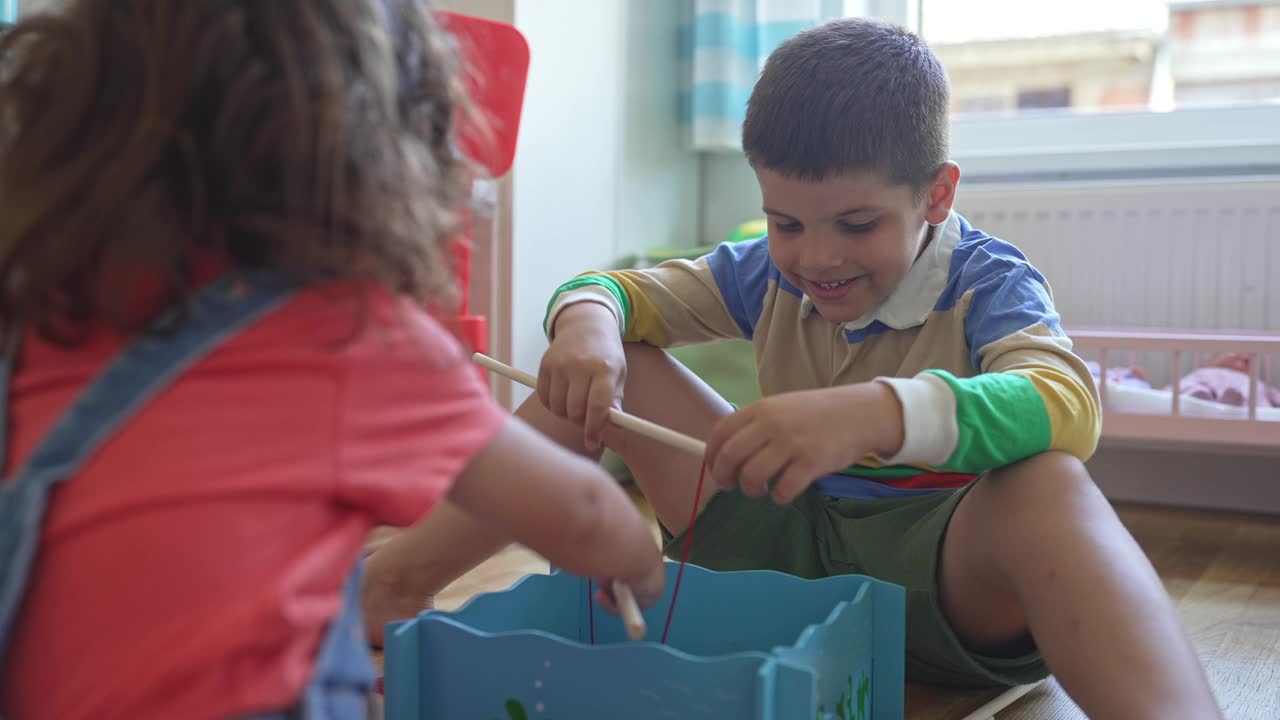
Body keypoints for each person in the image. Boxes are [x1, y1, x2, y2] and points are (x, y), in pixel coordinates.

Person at [365, 16, 1222, 719]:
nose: (816, 258)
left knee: (1050, 485)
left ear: (936, 195)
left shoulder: (987, 282)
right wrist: (585, 324)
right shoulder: (766, 272)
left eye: (856, 224)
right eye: (786, 222)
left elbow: (1069, 405)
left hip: (933, 587)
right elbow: (612, 291)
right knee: (608, 356)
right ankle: (389, 587)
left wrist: (875, 412)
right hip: (777, 551)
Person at [0, 2, 663, 719]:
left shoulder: (45, 309)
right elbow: (587, 515)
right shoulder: (351, 338)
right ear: (385, 159)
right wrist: (637, 558)